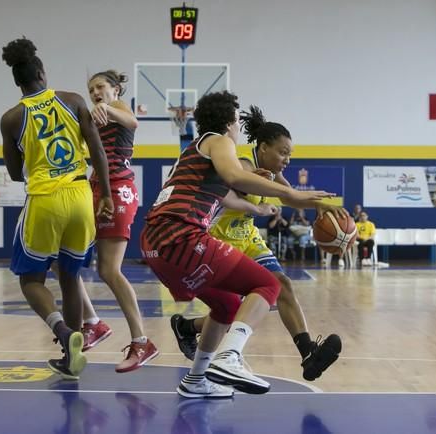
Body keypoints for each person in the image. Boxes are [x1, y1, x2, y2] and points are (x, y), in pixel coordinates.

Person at [141, 92, 335, 399]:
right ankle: (229, 357)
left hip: (156, 244)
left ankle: (195, 379)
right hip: (182, 235)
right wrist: (290, 199)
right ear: (231, 122)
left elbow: (233, 180)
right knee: (268, 284)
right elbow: (235, 177)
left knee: (227, 305)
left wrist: (301, 198)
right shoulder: (220, 141)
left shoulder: (199, 147)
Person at [0, 38, 113, 380]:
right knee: (70, 277)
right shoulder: (73, 100)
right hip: (80, 195)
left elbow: (16, 173)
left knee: (31, 280)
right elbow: (97, 151)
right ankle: (71, 358)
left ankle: (65, 334)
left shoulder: (11, 119)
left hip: (45, 199)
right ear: (41, 73)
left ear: (19, 81)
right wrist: (105, 194)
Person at [86, 70, 158, 372]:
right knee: (59, 258)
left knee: (109, 270)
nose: (94, 92)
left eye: (100, 87)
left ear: (114, 89)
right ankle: (92, 322)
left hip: (117, 189)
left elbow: (133, 122)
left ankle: (141, 341)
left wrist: (109, 107)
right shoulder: (91, 117)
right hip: (93, 187)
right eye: (91, 90)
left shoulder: (120, 109)